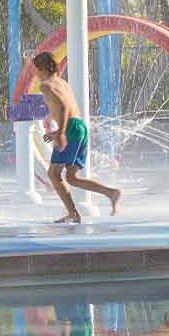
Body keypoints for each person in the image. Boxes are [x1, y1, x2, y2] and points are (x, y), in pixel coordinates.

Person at [33, 50, 122, 222]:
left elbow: (65, 108)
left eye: (36, 69)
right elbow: (65, 107)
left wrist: (60, 133)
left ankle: (73, 213)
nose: (35, 73)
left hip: (71, 129)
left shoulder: (46, 86)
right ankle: (111, 193)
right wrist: (54, 120)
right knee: (71, 177)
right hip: (80, 126)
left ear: (42, 69)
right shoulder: (60, 82)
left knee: (53, 174)